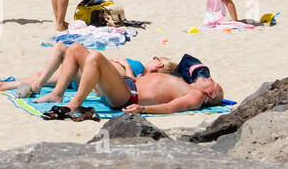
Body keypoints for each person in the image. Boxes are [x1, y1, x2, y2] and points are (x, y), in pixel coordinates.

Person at [61, 44, 223, 119]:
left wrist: (143, 109)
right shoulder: (184, 84)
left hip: (126, 96)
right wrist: (128, 70)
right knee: (76, 48)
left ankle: (74, 104)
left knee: (96, 57)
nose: (207, 77)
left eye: (211, 81)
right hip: (124, 85)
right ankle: (56, 94)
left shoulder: (196, 95)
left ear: (211, 93)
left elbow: (170, 108)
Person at [0, 48, 178, 100]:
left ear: (159, 63)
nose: (152, 58)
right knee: (41, 74)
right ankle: (3, 86)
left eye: (156, 57)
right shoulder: (141, 68)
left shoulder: (144, 75)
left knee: (61, 57)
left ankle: (15, 86)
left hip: (93, 75)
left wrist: (125, 66)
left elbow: (132, 87)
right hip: (87, 74)